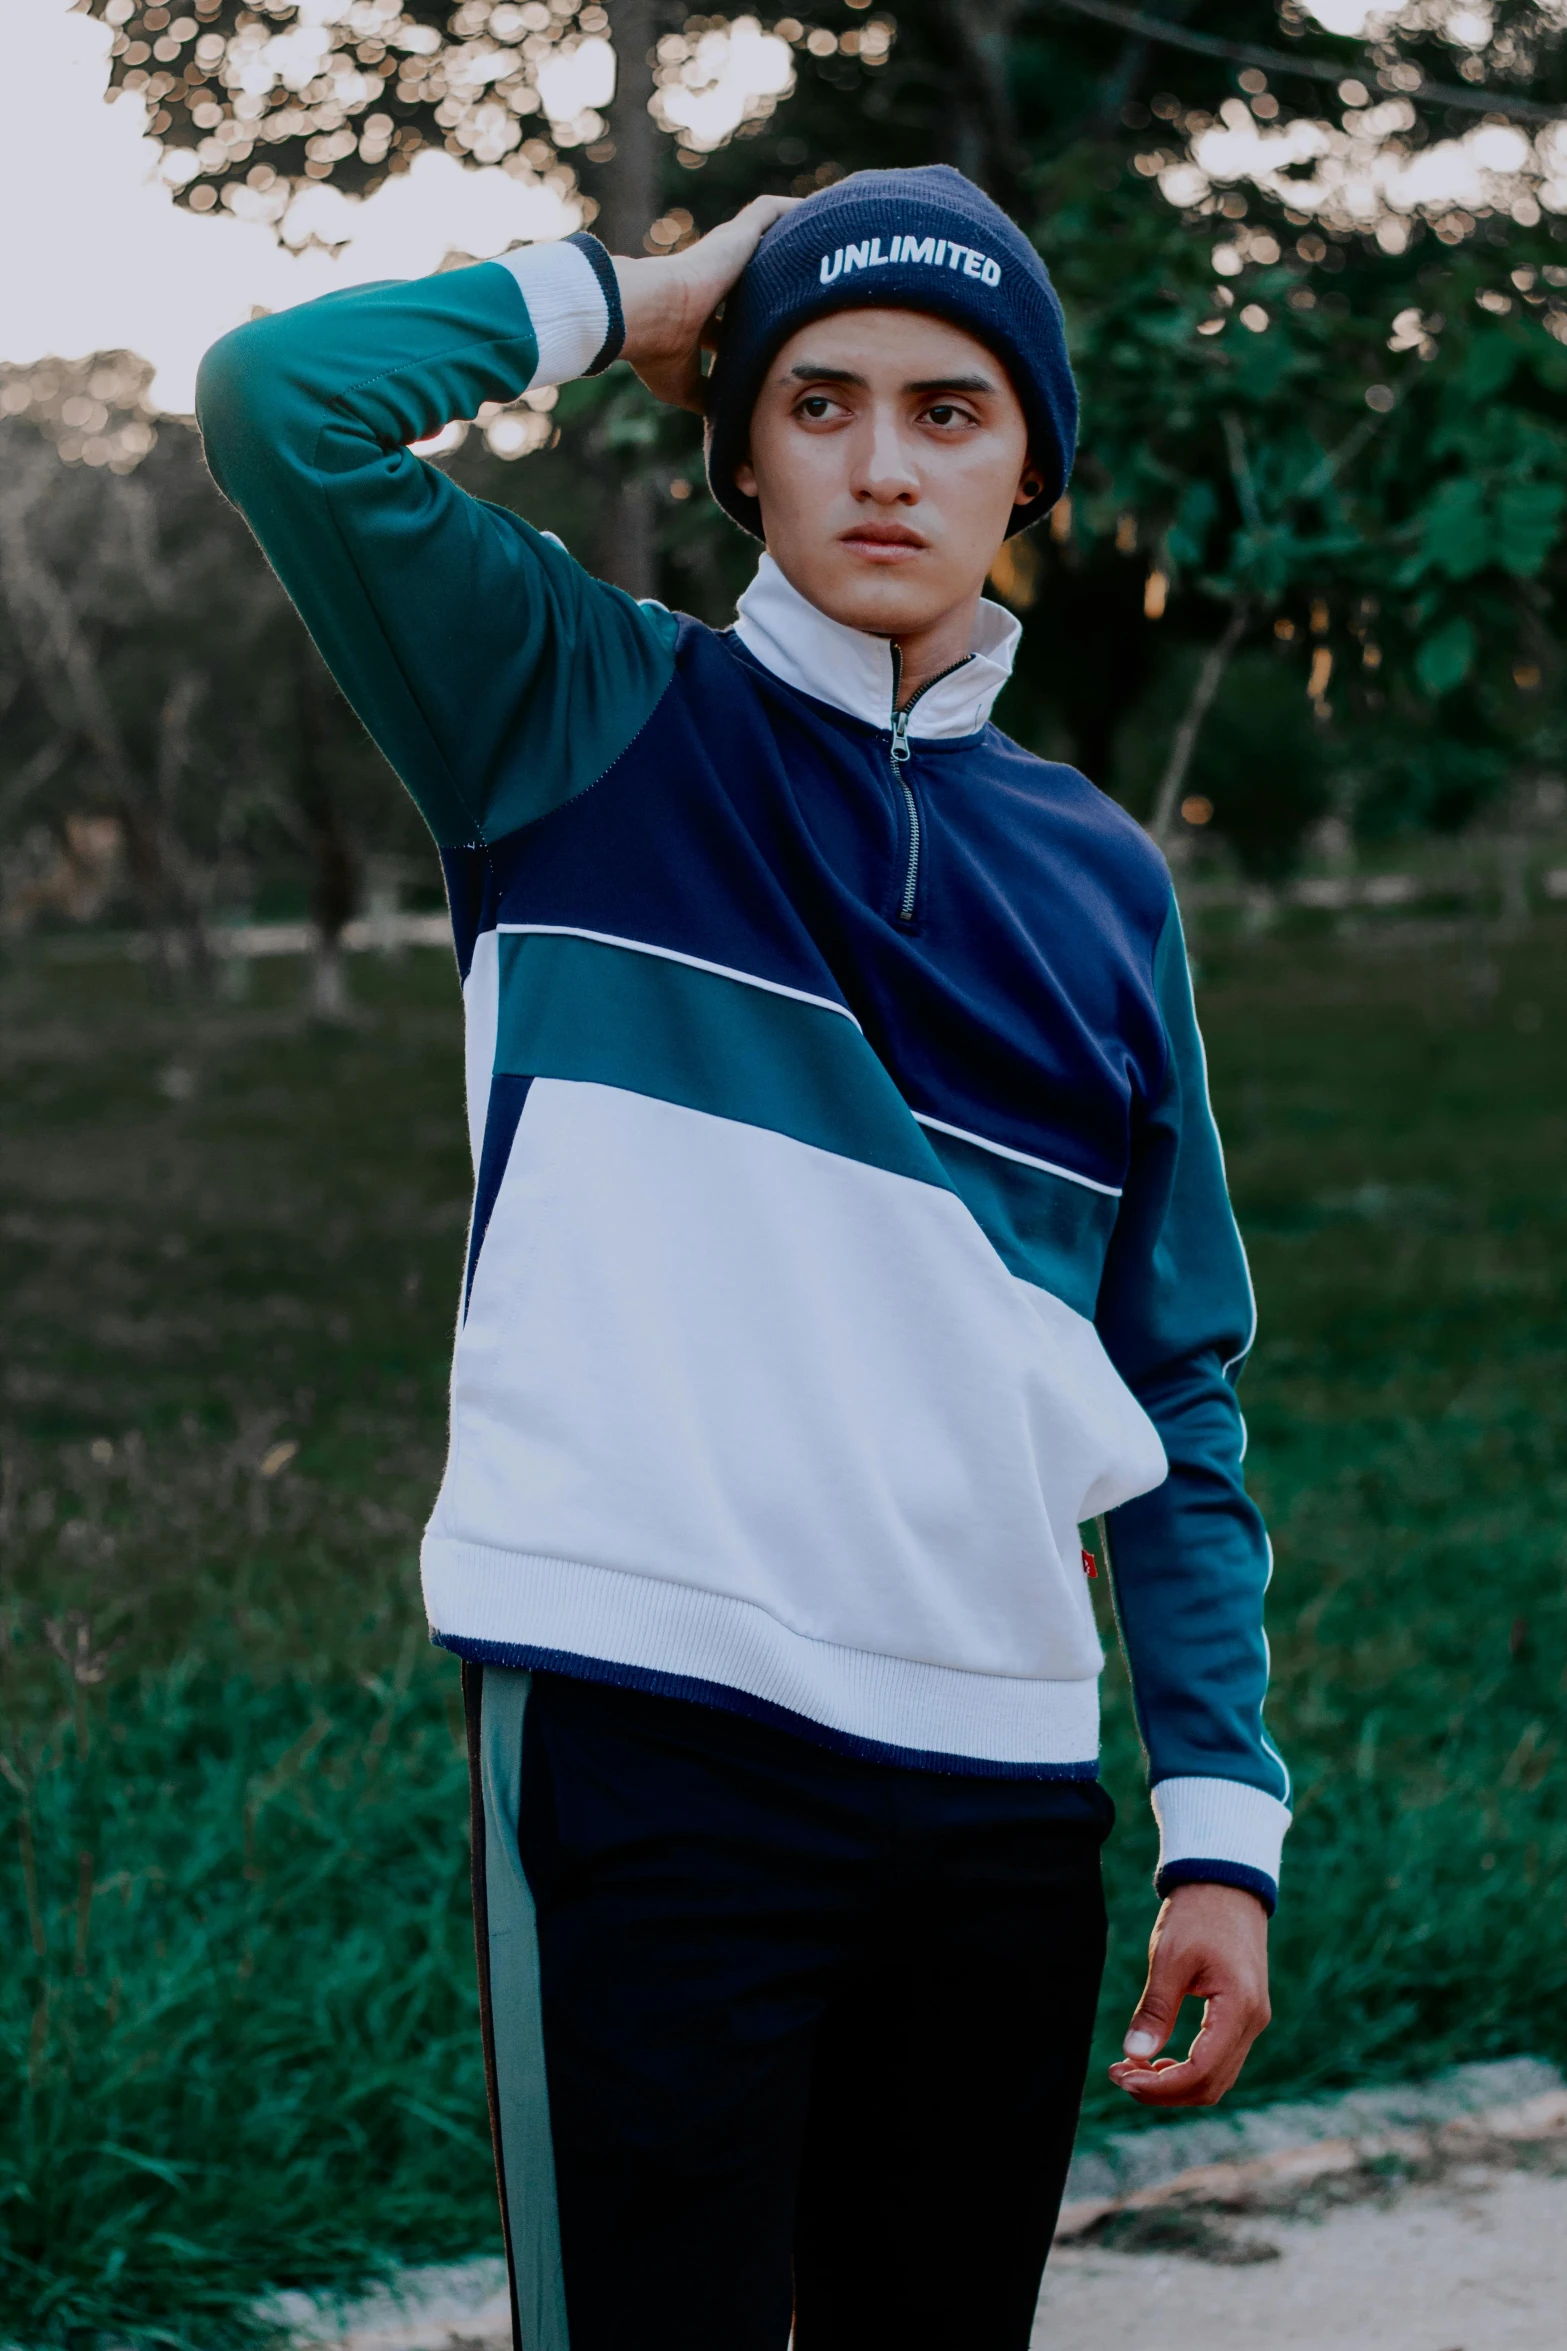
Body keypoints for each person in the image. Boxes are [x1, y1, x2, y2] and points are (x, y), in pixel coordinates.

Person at [198, 164, 1289, 2351]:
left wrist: (1218, 1820)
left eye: (954, 409)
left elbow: (1172, 1380)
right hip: (658, 1736)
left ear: (1030, 468)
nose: (886, 460)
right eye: (820, 398)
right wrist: (646, 289)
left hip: (998, 1776)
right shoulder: (579, 715)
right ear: (742, 444)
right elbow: (276, 404)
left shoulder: (1101, 878)